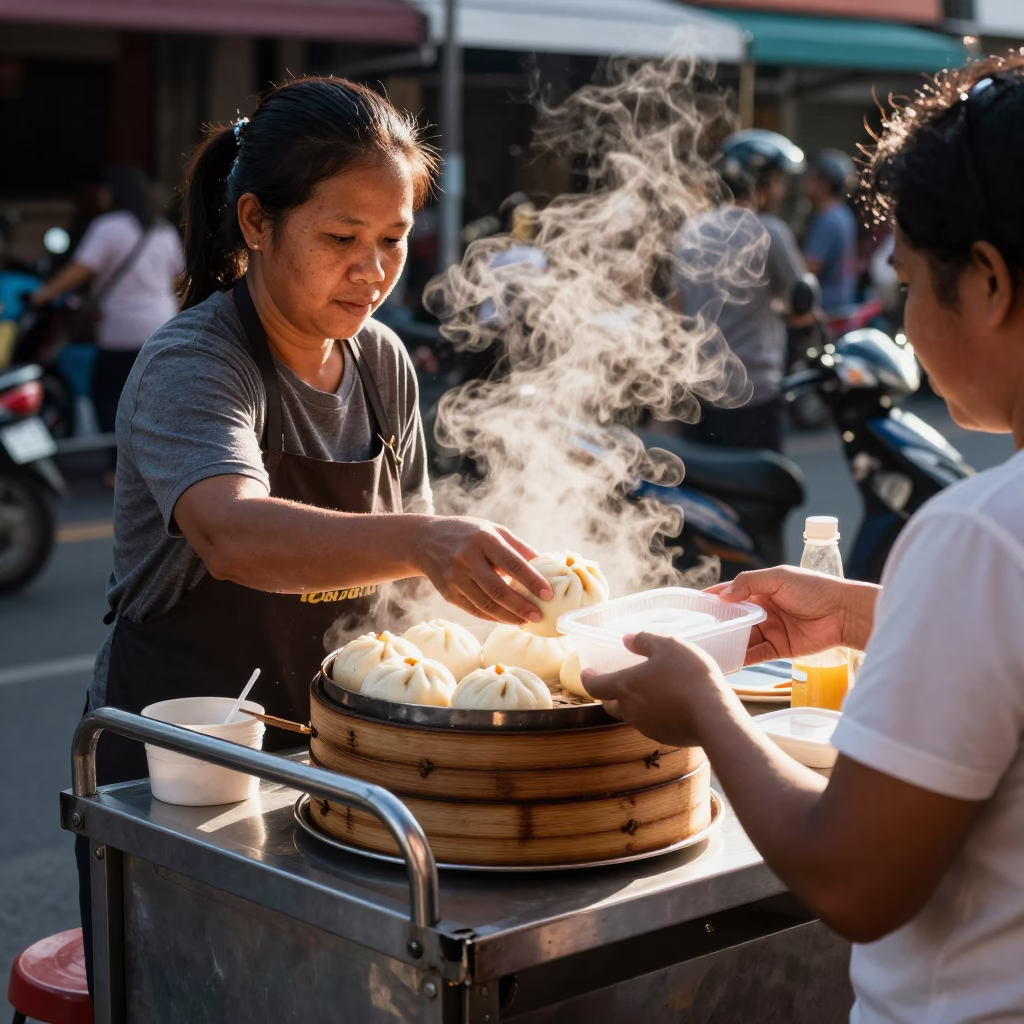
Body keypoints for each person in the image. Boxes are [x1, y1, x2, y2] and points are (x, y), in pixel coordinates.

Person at [75, 76, 552, 992]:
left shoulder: (382, 366)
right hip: (180, 776)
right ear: (255, 223)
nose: (372, 270)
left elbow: (408, 596)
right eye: (341, 239)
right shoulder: (196, 362)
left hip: (335, 766)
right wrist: (425, 540)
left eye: (393, 240)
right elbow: (230, 532)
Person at [586, 56, 1024, 1024]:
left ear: (986, 282)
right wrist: (875, 613)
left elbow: (851, 879)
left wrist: (704, 704)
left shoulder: (980, 534)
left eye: (908, 282)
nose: (905, 319)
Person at [30, 165, 184, 482]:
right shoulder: (162, 230)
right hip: (161, 325)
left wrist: (41, 295)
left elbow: (79, 270)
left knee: (109, 396)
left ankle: (118, 467)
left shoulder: (109, 227)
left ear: (114, 192)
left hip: (121, 331)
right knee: (153, 397)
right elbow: (180, 279)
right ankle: (156, 462)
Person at [673, 130, 808, 451]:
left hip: (701, 389)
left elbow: (676, 308)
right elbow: (801, 298)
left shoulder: (691, 230)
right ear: (759, 182)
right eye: (777, 180)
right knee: (766, 493)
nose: (782, 188)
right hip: (754, 391)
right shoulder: (770, 231)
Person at [802, 149, 859, 313]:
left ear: (825, 184)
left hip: (827, 310)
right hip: (840, 305)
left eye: (812, 178)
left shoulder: (829, 219)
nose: (806, 183)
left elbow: (808, 270)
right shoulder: (842, 214)